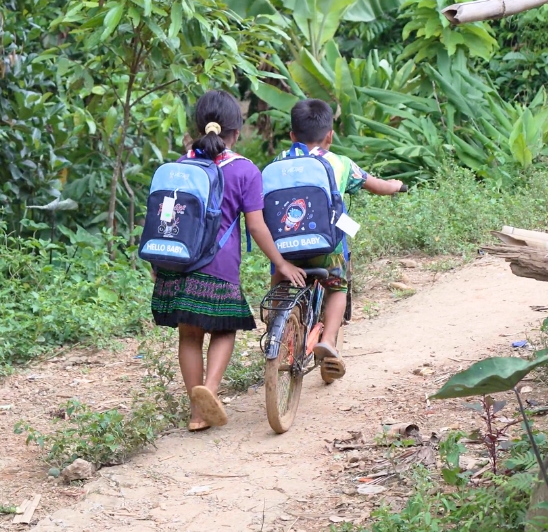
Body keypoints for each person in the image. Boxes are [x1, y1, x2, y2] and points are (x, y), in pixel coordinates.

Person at [151, 90, 305, 432]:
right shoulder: (245, 171)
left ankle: (196, 410)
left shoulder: (179, 167)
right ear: (235, 130)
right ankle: (211, 390)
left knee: (189, 336)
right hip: (218, 268)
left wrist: (156, 267)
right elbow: (256, 225)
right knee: (225, 329)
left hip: (175, 266)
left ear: (197, 126)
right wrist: (281, 263)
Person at [271, 99, 405, 381]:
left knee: (281, 280)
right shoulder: (340, 163)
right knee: (337, 286)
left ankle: (276, 329)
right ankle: (329, 340)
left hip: (284, 250)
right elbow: (377, 186)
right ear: (330, 135)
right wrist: (395, 186)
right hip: (326, 248)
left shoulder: (278, 162)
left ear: (292, 135)